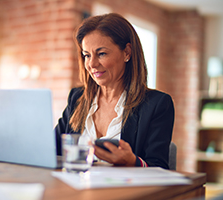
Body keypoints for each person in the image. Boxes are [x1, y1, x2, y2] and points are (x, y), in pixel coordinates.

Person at [55, 13, 174, 169]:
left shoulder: (157, 104)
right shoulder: (77, 98)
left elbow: (160, 168)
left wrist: (132, 161)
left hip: (124, 191)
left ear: (127, 52)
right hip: (78, 188)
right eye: (87, 55)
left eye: (101, 54)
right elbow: (52, 149)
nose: (92, 64)